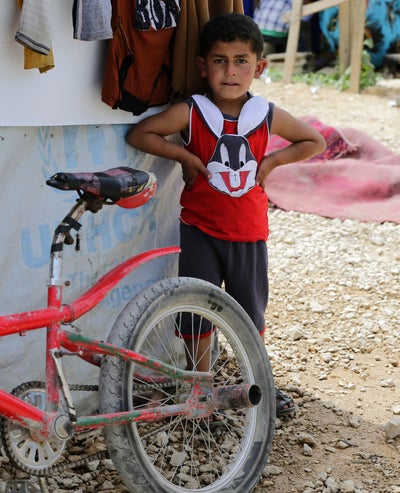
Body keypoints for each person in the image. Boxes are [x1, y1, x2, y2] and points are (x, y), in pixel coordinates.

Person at [125, 13, 325, 417]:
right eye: (219, 60)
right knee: (196, 309)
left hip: (249, 233)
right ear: (203, 66)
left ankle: (259, 380)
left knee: (250, 313)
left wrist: (270, 163)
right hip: (199, 230)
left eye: (240, 61)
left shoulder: (265, 115)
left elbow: (314, 140)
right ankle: (201, 388)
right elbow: (140, 133)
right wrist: (184, 155)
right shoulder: (193, 112)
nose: (230, 71)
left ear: (259, 67)